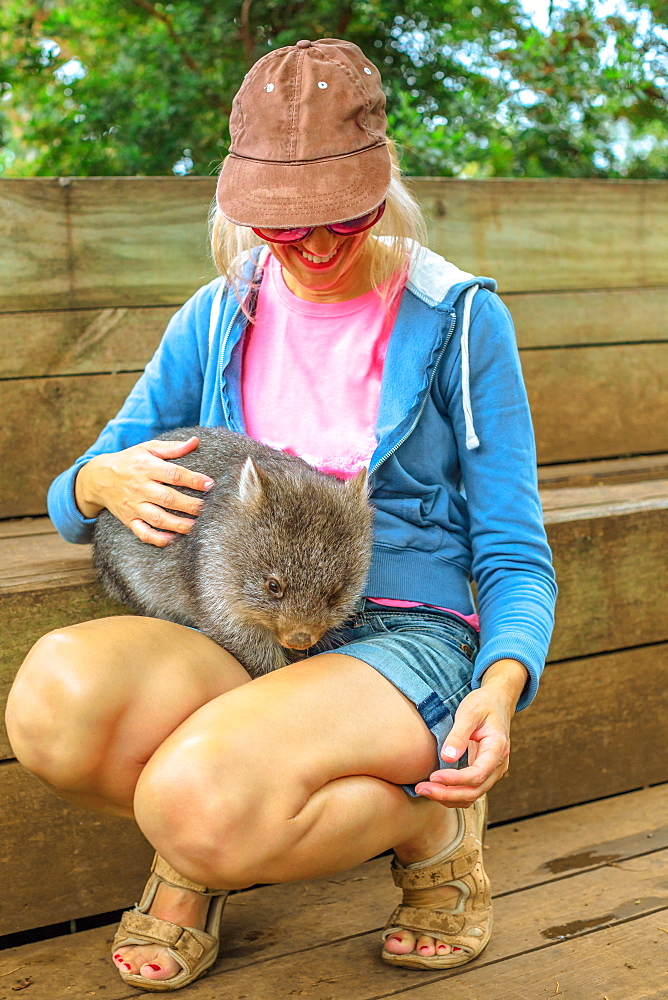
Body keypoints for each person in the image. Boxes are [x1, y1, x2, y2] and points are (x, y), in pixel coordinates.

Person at [5, 37, 557, 993]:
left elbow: (513, 547)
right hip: (244, 619)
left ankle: (425, 829)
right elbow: (80, 486)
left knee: (197, 800)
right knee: (56, 701)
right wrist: (100, 487)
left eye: (340, 221)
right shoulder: (219, 314)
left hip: (401, 633)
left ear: (383, 192)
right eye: (276, 225)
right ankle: (218, 815)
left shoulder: (461, 321)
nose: (308, 249)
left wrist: (503, 684)